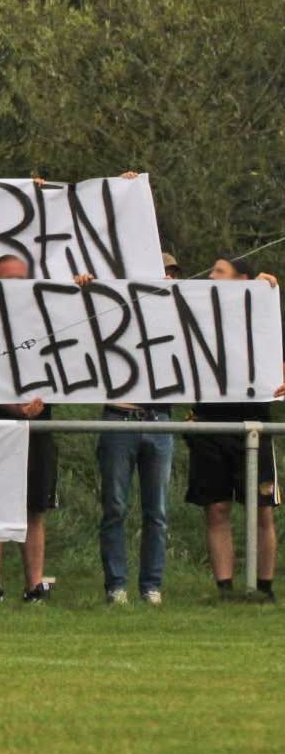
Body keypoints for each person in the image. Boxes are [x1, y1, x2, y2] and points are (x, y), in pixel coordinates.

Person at [87, 252, 180, 605]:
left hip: (158, 419)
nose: (168, 278)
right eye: (163, 272)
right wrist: (87, 286)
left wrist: (264, 285)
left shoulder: (176, 314)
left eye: (172, 273)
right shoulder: (114, 309)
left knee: (156, 511)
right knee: (115, 507)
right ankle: (116, 586)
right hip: (119, 418)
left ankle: (151, 586)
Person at [185, 256, 279, 600]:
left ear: (243, 279)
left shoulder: (261, 311)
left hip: (255, 421)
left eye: (220, 271)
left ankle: (264, 586)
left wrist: (268, 288)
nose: (211, 276)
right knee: (217, 507)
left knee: (263, 509)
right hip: (209, 421)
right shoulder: (200, 313)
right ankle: (224, 587)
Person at [0, 255, 53, 602]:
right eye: (7, 280)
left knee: (34, 505)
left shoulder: (45, 320)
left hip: (37, 424)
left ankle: (34, 584)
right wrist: (13, 407)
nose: (15, 286)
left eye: (21, 279)